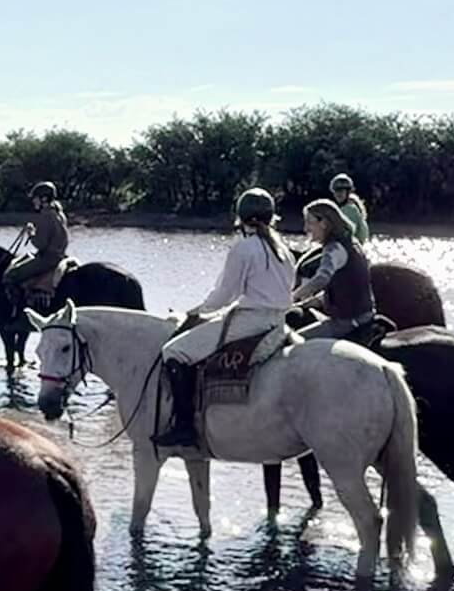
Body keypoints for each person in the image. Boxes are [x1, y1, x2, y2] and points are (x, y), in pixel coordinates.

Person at [153, 188, 294, 451]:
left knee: (173, 351)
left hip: (250, 322)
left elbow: (223, 296)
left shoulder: (244, 248)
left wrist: (196, 312)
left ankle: (184, 428)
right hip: (278, 323)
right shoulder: (284, 250)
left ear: (241, 218)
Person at [292, 198, 375, 338]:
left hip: (349, 321)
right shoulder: (351, 242)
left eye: (309, 222)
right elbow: (344, 287)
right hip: (363, 314)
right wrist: (308, 302)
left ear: (323, 223)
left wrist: (292, 297)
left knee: (292, 342)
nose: (305, 228)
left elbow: (322, 278)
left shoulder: (334, 248)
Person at [6, 181, 70, 307]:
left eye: (35, 199)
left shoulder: (46, 216)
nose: (33, 202)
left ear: (44, 199)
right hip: (60, 256)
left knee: (11, 275)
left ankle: (18, 310)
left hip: (48, 258)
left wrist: (31, 233)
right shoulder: (59, 214)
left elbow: (41, 244)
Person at [327, 173, 370, 245]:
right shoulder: (353, 208)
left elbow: (343, 234)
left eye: (341, 191)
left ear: (348, 192)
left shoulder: (349, 209)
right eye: (336, 191)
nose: (338, 194)